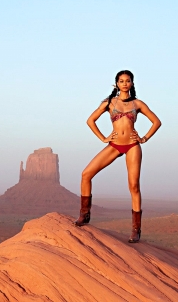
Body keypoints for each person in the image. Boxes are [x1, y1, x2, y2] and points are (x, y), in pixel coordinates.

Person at [74, 70, 161, 243]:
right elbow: (90, 120)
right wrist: (103, 138)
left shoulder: (138, 104)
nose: (125, 84)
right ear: (117, 84)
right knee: (86, 174)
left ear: (132, 84)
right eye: (121, 81)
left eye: (128, 81)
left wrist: (144, 138)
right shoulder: (109, 103)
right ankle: (84, 214)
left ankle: (136, 230)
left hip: (132, 146)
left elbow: (157, 122)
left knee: (134, 186)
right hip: (114, 144)